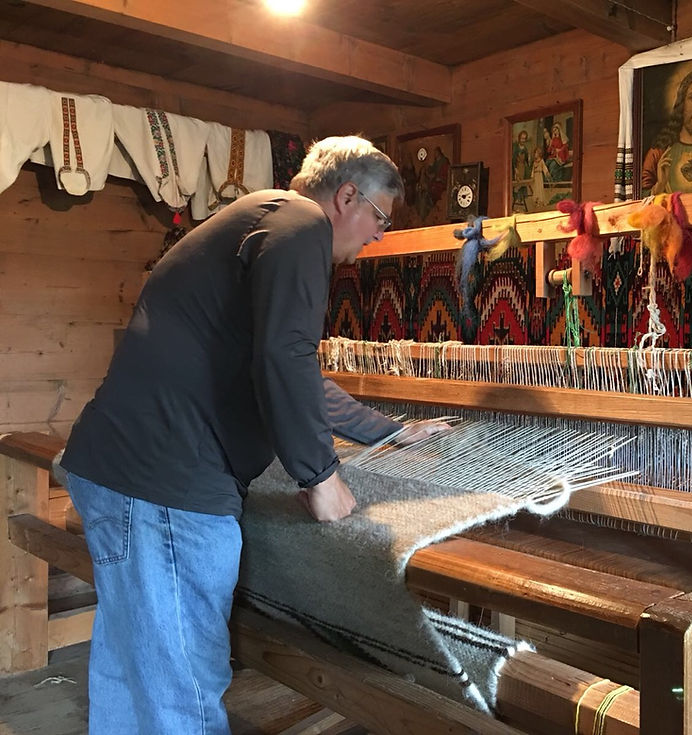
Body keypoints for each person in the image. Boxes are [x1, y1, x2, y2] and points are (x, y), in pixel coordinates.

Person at [58, 135, 448, 735]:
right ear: (346, 196)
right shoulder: (301, 227)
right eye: (379, 218)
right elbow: (284, 356)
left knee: (133, 666)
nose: (377, 236)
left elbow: (291, 369)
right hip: (166, 486)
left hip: (122, 471)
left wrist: (388, 432)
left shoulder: (260, 218)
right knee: (181, 689)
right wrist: (319, 475)